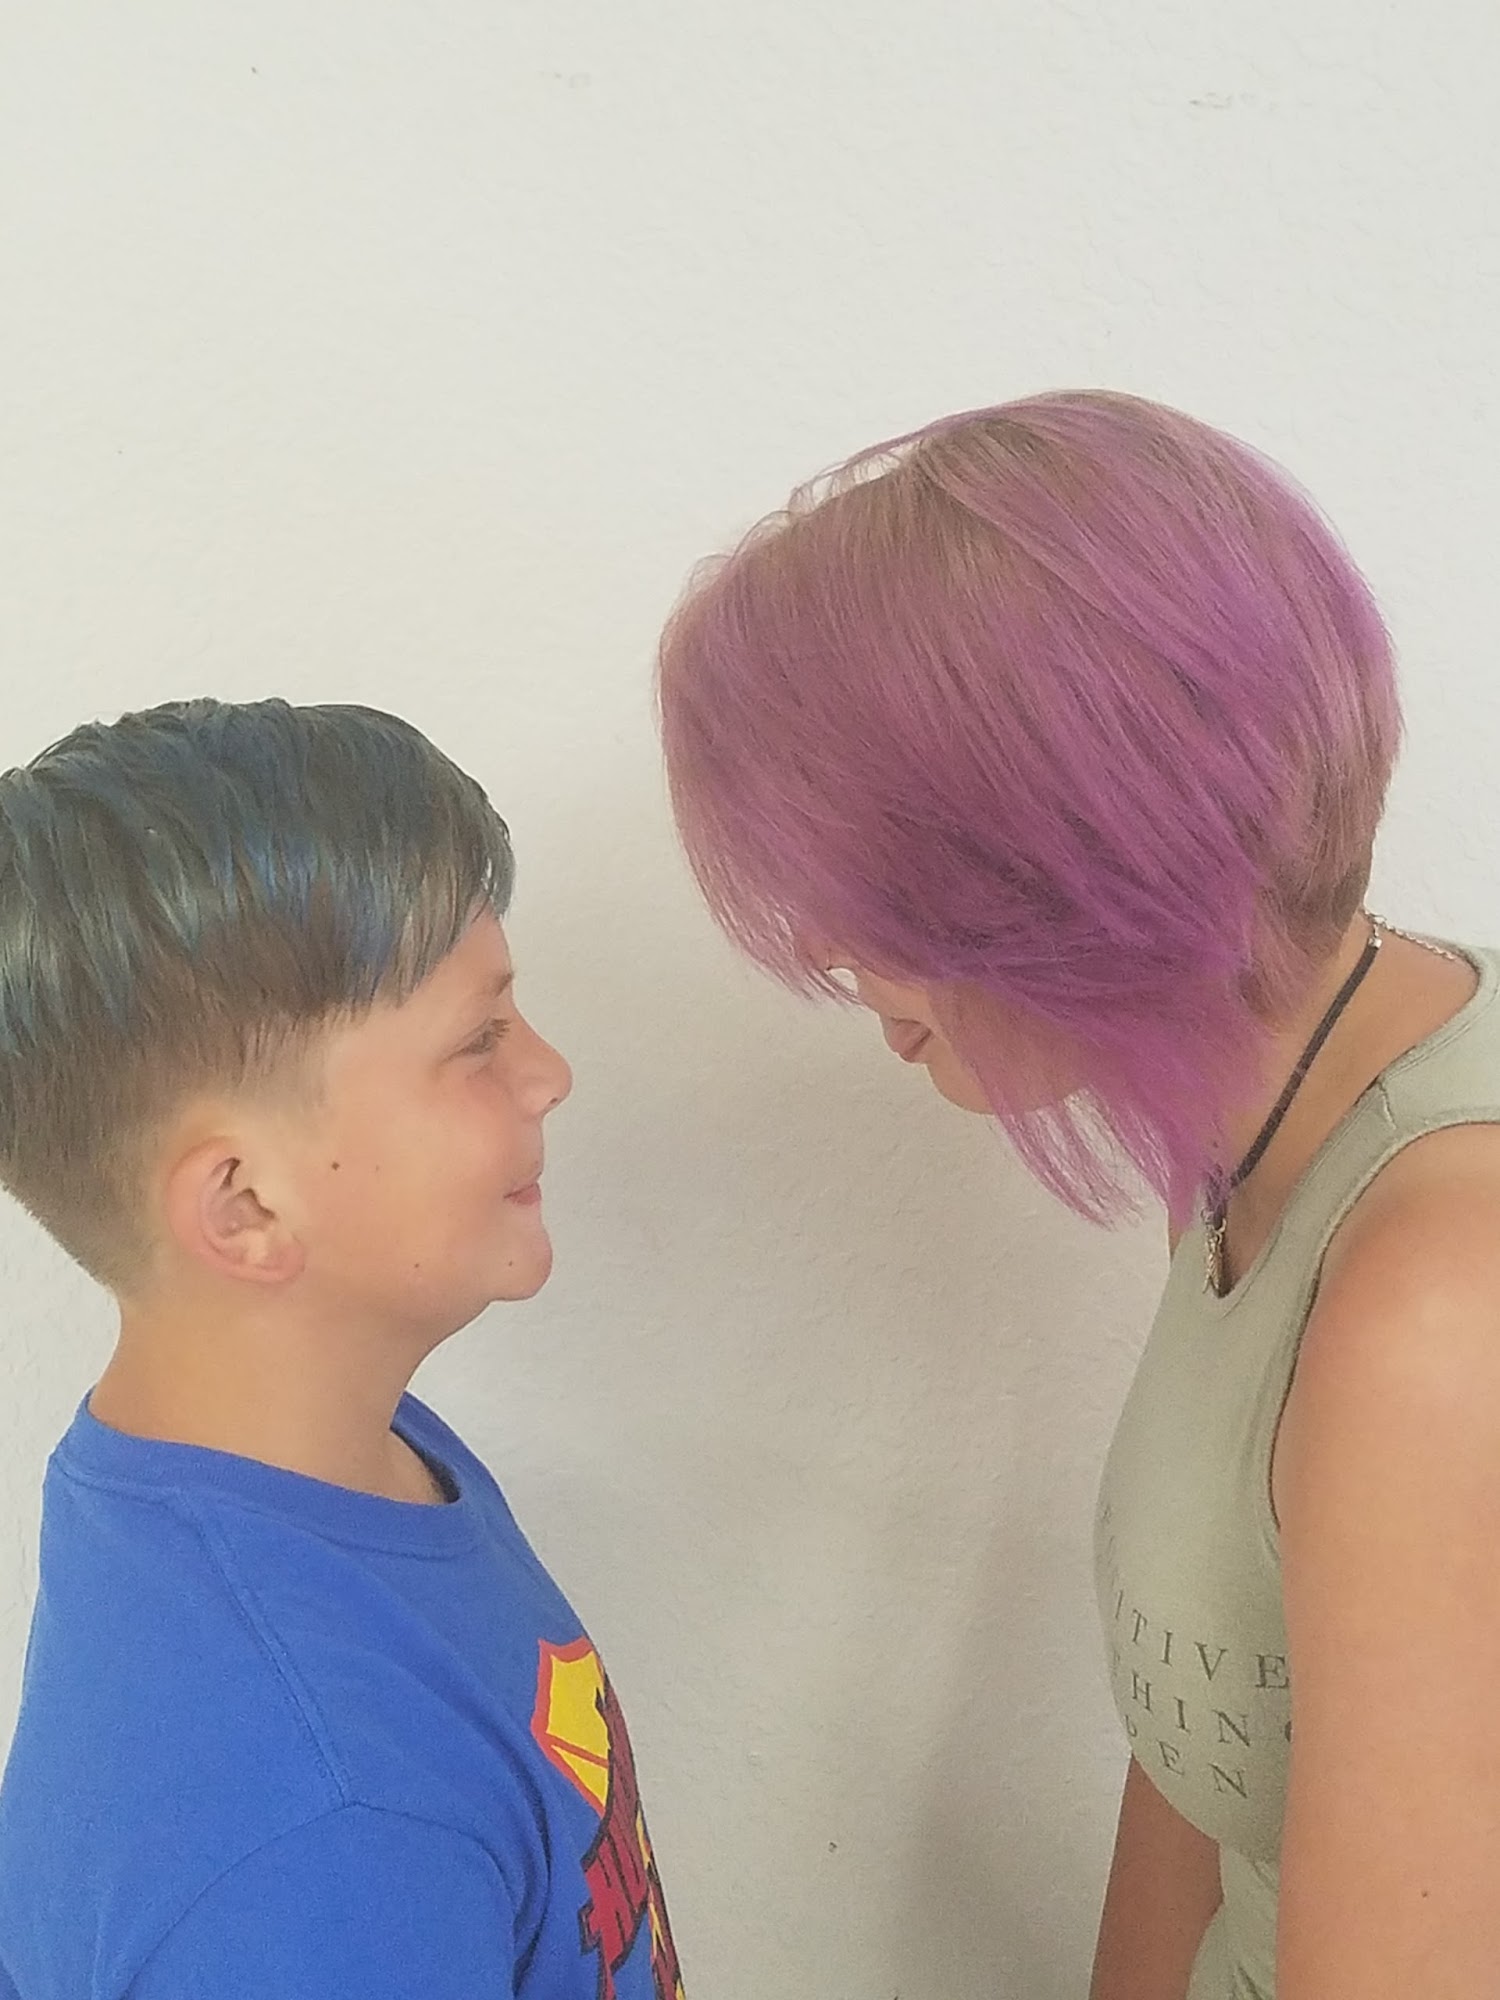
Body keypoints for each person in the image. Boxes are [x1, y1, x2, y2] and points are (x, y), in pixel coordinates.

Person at [656, 390, 1500, 2000]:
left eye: (871, 889)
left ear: (1071, 868)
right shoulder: (1258, 1123)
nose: (831, 957)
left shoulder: (1439, 1304)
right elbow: (1201, 1771)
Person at [0, 698, 684, 2000]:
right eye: (479, 1041)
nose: (549, 1072)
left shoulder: (348, 1455)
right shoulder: (316, 1842)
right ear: (247, 1207)